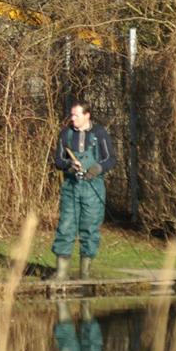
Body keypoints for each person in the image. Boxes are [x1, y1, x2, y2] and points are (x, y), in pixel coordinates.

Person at [50, 100, 116, 280]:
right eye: (72, 115)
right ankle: (61, 273)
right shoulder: (65, 134)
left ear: (87, 115)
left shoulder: (99, 133)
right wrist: (70, 165)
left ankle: (85, 274)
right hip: (71, 187)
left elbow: (111, 159)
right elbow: (58, 161)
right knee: (65, 227)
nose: (72, 118)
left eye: (76, 115)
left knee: (90, 229)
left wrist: (96, 169)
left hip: (93, 189)